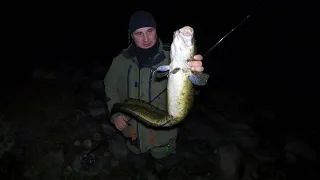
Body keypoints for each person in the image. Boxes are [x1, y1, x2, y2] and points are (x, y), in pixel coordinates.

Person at [104, 11, 205, 172]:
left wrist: (197, 76)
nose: (146, 39)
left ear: (157, 30)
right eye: (139, 33)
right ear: (131, 35)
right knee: (137, 167)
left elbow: (194, 90)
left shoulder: (172, 56)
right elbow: (110, 88)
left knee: (167, 167)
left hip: (165, 139)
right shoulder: (120, 61)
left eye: (150, 31)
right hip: (133, 137)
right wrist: (115, 114)